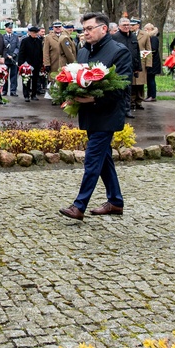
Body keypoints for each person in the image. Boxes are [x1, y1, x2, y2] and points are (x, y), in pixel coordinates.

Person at [59, 12, 132, 221]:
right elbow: (76, 79)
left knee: (92, 159)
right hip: (89, 115)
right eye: (84, 29)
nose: (86, 33)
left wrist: (92, 99)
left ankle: (79, 206)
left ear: (104, 29)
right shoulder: (83, 52)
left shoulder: (119, 52)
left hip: (107, 115)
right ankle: (116, 202)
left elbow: (121, 88)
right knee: (104, 159)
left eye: (90, 28)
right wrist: (72, 95)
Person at [111, 16, 140, 119]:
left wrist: (137, 67)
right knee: (119, 90)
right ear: (119, 26)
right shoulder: (115, 37)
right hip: (119, 67)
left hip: (130, 67)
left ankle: (127, 110)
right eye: (124, 25)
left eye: (128, 25)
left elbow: (137, 52)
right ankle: (118, 110)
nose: (127, 27)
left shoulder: (133, 37)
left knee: (128, 90)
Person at [18, 25, 44, 101]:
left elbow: (40, 53)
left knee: (35, 80)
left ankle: (34, 94)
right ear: (29, 33)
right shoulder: (25, 41)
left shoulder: (39, 41)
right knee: (26, 80)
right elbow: (21, 52)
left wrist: (41, 63)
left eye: (36, 32)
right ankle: (26, 95)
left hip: (36, 64)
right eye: (33, 32)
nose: (35, 34)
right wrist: (21, 63)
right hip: (27, 64)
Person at [131, 19, 151, 109]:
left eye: (133, 25)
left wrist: (148, 64)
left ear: (138, 25)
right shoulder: (129, 35)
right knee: (131, 83)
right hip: (131, 62)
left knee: (140, 83)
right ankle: (131, 101)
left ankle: (139, 101)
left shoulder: (145, 35)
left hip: (141, 61)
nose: (131, 27)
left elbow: (148, 49)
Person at [143, 23, 161, 101]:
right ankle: (149, 95)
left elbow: (153, 49)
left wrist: (144, 53)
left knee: (151, 79)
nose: (145, 31)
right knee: (149, 79)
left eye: (146, 29)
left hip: (153, 62)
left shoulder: (153, 38)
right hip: (151, 61)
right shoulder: (149, 38)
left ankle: (152, 95)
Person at [2, 22, 20, 96]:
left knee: (14, 76)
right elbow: (2, 48)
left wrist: (14, 54)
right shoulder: (2, 37)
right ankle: (4, 90)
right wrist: (6, 55)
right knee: (4, 75)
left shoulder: (15, 37)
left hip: (14, 59)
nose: (10, 29)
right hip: (6, 59)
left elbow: (18, 47)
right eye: (9, 28)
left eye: (11, 28)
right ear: (6, 28)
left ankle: (13, 91)